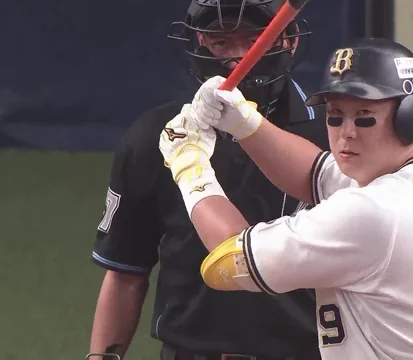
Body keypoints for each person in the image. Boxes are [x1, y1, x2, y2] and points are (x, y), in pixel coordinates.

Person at [158, 37, 413, 359]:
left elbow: (230, 260)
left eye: (364, 117)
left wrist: (189, 164)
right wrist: (244, 122)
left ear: (412, 117)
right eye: (335, 116)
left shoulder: (374, 213)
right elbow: (316, 173)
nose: (345, 132)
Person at [88, 1, 327, 359]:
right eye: (221, 42)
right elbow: (125, 273)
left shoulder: (337, 137)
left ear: (289, 39)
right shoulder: (157, 135)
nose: (238, 58)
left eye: (255, 38)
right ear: (200, 41)